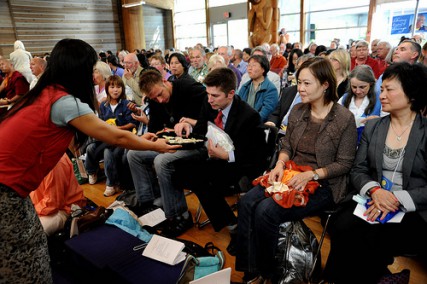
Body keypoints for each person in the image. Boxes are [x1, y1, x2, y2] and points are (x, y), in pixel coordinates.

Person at [0, 38, 178, 284]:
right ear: (78, 70)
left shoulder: (45, 93)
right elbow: (113, 135)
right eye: (91, 68)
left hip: (9, 187)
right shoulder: (63, 102)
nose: (94, 74)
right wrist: (155, 145)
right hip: (5, 190)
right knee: (26, 261)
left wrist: (142, 139)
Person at [234, 57, 357, 283]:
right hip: (291, 173)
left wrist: (312, 174)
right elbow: (287, 145)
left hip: (323, 183)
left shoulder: (344, 118)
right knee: (246, 202)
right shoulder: (299, 111)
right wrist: (280, 164)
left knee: (266, 211)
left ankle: (269, 273)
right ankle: (251, 270)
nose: (300, 88)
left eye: (307, 83)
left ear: (325, 85)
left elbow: (345, 163)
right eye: (299, 82)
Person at [324, 62, 427, 284]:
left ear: (411, 94)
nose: (382, 95)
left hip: (413, 208)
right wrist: (376, 191)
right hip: (373, 198)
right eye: (383, 89)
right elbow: (359, 169)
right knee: (340, 224)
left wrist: (396, 199)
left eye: (390, 89)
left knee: (372, 236)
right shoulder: (374, 127)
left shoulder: (425, 131)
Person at [173, 67, 267, 236]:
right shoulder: (210, 104)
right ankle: (227, 221)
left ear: (230, 94)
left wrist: (227, 155)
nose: (209, 99)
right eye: (208, 94)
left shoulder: (249, 116)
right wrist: (189, 126)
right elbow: (202, 128)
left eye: (214, 95)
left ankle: (233, 226)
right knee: (179, 168)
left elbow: (256, 156)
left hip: (239, 163)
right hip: (216, 158)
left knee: (200, 178)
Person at [127, 69, 206, 236]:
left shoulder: (190, 88)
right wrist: (154, 137)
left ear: (165, 81)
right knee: (133, 155)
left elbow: (207, 122)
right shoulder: (155, 98)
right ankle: (152, 203)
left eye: (160, 94)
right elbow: (155, 127)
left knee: (162, 161)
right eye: (154, 98)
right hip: (171, 143)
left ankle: (179, 216)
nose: (160, 100)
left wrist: (187, 126)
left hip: (198, 145)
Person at [85, 75, 138, 196]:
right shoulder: (104, 106)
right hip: (107, 137)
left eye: (119, 87)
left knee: (108, 152)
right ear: (107, 88)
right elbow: (101, 122)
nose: (115, 90)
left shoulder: (127, 104)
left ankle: (111, 184)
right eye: (112, 87)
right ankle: (92, 171)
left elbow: (132, 124)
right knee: (90, 148)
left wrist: (117, 129)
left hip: (122, 138)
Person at [30, 153, 87, 236]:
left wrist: (31, 212)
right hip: (40, 208)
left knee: (32, 234)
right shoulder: (31, 156)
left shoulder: (54, 161)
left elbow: (53, 203)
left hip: (64, 210)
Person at [339, 65, 381, 144]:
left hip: (371, 143)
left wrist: (378, 120)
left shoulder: (380, 99)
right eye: (354, 87)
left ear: (371, 84)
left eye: (362, 87)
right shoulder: (345, 98)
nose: (358, 91)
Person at [237, 54, 278, 122]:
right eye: (249, 65)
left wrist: (247, 122)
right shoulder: (245, 87)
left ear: (263, 69)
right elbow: (237, 107)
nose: (249, 68)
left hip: (258, 126)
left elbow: (265, 113)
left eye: (253, 65)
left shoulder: (271, 89)